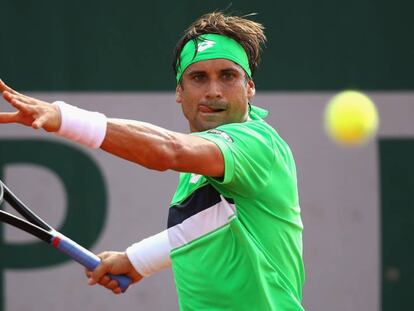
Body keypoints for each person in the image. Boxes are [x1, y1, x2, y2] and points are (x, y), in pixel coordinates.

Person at [0, 12, 305, 311]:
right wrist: (136, 261)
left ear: (249, 87)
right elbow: (207, 224)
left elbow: (168, 151)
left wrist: (64, 118)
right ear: (179, 91)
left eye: (228, 76)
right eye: (199, 77)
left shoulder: (256, 144)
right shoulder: (205, 166)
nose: (214, 91)